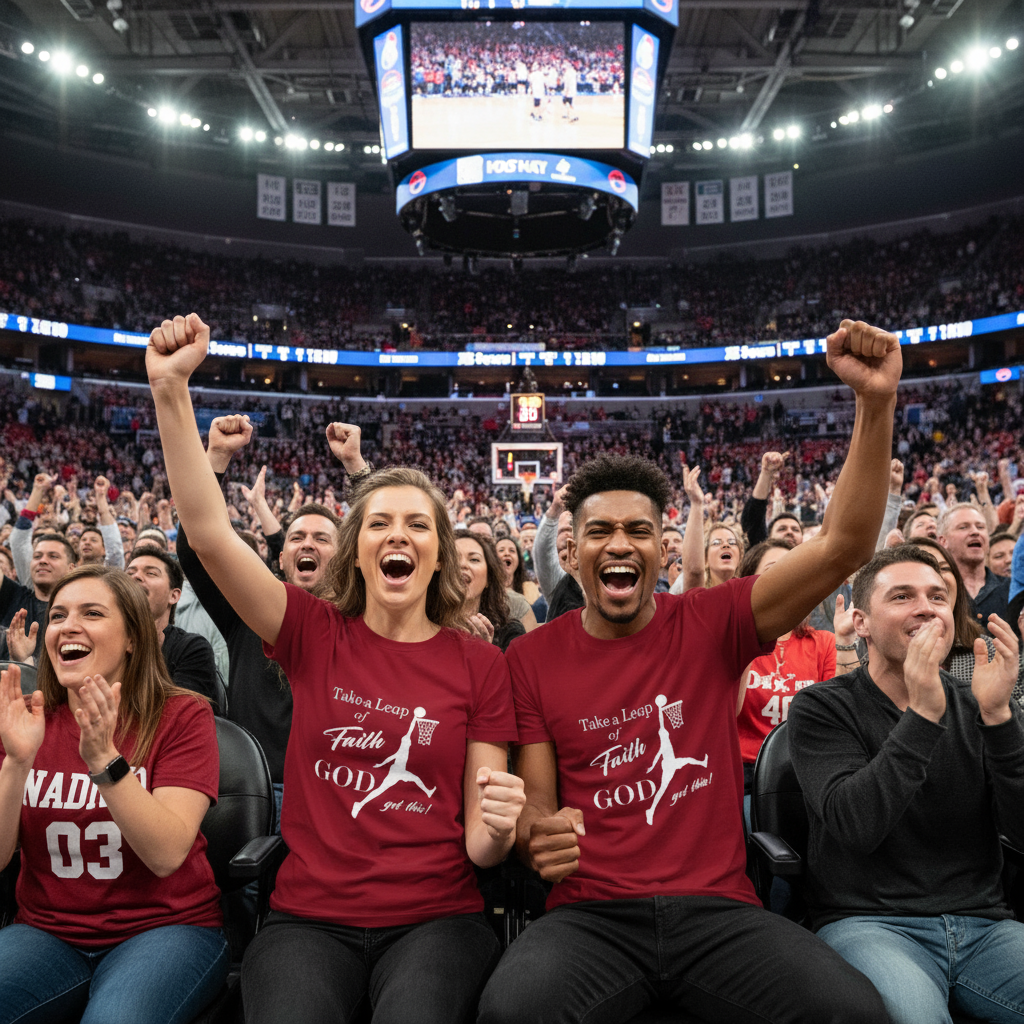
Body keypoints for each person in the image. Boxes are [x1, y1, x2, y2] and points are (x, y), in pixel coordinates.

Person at [477, 318, 901, 1024]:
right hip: (591, 917)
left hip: (718, 912)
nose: (621, 544)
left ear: (663, 548)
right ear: (572, 551)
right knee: (510, 1013)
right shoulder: (531, 656)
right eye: (601, 532)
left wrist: (876, 402)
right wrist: (536, 834)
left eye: (639, 530)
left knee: (853, 1012)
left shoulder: (712, 620)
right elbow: (541, 803)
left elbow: (846, 544)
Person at [147, 313, 525, 1024]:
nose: (398, 535)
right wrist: (171, 390)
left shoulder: (480, 664)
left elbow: (479, 839)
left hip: (438, 920)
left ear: (439, 554)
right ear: (358, 551)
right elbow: (207, 533)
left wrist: (500, 828)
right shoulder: (311, 632)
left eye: (418, 525)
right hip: (308, 921)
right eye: (379, 522)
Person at [788, 545, 1024, 1024]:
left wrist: (1000, 719)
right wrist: (922, 714)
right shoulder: (821, 708)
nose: (926, 607)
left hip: (986, 925)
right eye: (902, 596)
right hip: (868, 924)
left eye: (938, 596)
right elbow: (856, 826)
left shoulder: (983, 699)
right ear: (861, 623)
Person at [0, 565, 228, 1024]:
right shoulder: (26, 719)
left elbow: (166, 854)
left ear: (131, 637)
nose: (69, 625)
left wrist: (105, 760)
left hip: (166, 930)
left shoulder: (183, 716)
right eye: (59, 615)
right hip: (46, 932)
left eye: (92, 612)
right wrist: (17, 763)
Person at [735, 539, 836, 812]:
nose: (785, 579)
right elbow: (728, 711)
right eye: (773, 569)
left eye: (793, 570)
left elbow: (834, 718)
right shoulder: (733, 639)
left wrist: (847, 640)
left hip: (807, 771)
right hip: (744, 774)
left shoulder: (823, 642)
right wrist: (742, 635)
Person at [126, 546, 223, 713]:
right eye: (129, 573)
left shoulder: (192, 649)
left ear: (174, 595)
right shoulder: (104, 642)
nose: (136, 577)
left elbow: (180, 718)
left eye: (151, 573)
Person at [939, 504, 1010, 632]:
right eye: (963, 527)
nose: (975, 532)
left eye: (980, 527)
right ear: (943, 541)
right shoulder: (935, 592)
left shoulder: (1014, 590)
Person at [458, 534, 526, 653]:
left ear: (489, 578)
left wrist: (486, 654)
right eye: (453, 558)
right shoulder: (422, 627)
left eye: (474, 559)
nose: (463, 565)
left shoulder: (510, 633)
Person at [494, 537, 538, 632]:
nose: (507, 553)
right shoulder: (487, 591)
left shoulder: (530, 587)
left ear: (518, 559)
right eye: (501, 550)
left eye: (512, 551)